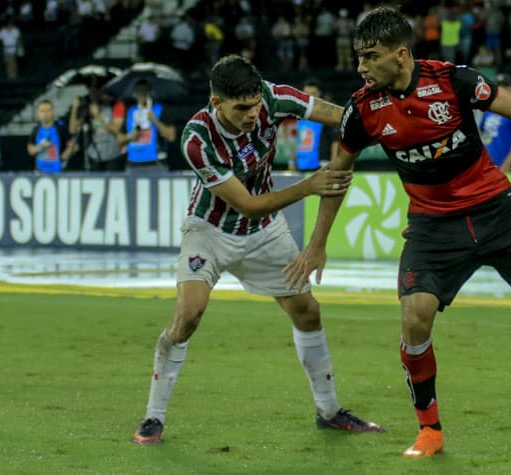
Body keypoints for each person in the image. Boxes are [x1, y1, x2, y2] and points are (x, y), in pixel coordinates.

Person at [284, 7, 511, 458]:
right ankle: (430, 431)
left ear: (400, 54)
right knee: (414, 318)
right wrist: (317, 244)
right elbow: (338, 174)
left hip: (496, 207)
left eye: (370, 56)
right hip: (432, 224)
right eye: (357, 57)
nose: (360, 67)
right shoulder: (361, 110)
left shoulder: (453, 81)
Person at [131, 54, 383, 445]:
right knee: (189, 314)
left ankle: (329, 411)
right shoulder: (197, 140)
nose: (253, 114)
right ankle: (153, 417)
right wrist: (307, 186)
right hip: (210, 230)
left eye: (255, 104)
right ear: (217, 104)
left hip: (265, 232)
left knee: (308, 310)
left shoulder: (272, 97)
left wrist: (375, 115)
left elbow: (335, 114)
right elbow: (246, 203)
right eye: (242, 108)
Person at [68, 85, 126, 172]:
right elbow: (73, 129)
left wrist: (97, 116)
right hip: (95, 155)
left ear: (102, 92)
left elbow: (115, 129)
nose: (93, 95)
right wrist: (74, 108)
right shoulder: (89, 109)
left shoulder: (115, 105)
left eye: (95, 92)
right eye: (91, 93)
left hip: (113, 155)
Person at [478, 74, 511, 173]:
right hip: (490, 167)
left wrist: (508, 163)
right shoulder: (488, 110)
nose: (501, 89)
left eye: (505, 86)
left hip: (509, 167)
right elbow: (480, 134)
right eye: (498, 86)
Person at [124, 79, 176, 171]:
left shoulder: (160, 110)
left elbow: (171, 136)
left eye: (144, 91)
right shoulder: (131, 111)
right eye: (138, 91)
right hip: (133, 162)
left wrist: (154, 120)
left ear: (151, 93)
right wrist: (129, 137)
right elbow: (119, 138)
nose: (141, 94)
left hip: (155, 161)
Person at [291, 79, 338, 172]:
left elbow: (335, 142)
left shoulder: (326, 117)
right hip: (301, 168)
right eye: (306, 94)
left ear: (319, 94)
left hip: (321, 168)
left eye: (313, 94)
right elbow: (296, 141)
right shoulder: (298, 117)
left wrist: (334, 166)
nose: (309, 97)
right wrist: (292, 162)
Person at [27, 99, 76, 173]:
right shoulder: (36, 130)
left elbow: (74, 146)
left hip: (58, 171)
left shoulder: (60, 128)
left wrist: (62, 159)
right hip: (39, 171)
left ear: (53, 112)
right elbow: (30, 150)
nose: (45, 114)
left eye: (48, 110)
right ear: (38, 114)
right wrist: (40, 147)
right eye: (42, 111)